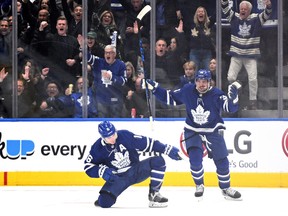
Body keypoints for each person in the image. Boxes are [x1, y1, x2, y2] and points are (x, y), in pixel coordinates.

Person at [142, 69, 242, 201]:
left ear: (209, 82)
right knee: (195, 161)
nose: (201, 84)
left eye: (204, 81)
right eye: (199, 81)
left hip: (212, 130)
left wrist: (234, 99)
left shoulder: (216, 94)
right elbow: (171, 98)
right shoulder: (187, 90)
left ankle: (225, 188)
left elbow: (230, 108)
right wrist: (155, 88)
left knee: (222, 160)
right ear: (195, 81)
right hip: (192, 130)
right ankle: (199, 185)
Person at [84, 120, 183, 208]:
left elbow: (146, 142)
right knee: (104, 203)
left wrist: (166, 148)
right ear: (103, 137)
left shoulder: (125, 135)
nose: (113, 138)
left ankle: (154, 194)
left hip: (135, 171)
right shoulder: (97, 148)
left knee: (158, 161)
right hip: (117, 178)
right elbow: (88, 166)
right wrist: (102, 171)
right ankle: (103, 200)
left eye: (114, 134)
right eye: (109, 137)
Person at [221, 0, 272, 110]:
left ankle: (252, 101)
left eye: (245, 9)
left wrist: (268, 6)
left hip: (250, 55)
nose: (242, 11)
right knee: (230, 77)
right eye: (241, 9)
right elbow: (224, 8)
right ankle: (235, 94)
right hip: (236, 54)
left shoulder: (256, 18)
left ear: (249, 10)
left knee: (253, 79)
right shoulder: (234, 17)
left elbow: (267, 14)